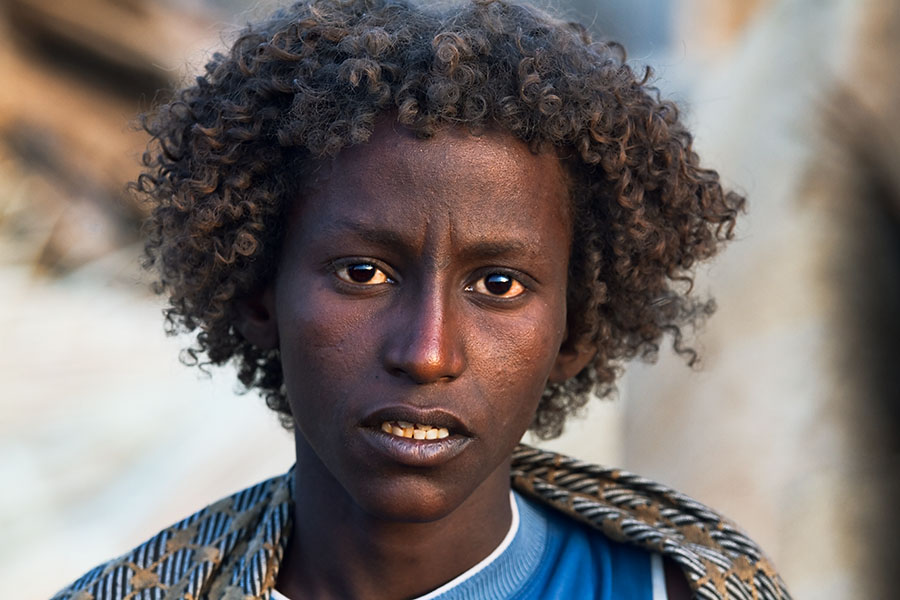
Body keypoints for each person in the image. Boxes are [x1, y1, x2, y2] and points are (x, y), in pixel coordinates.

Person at [52, 0, 791, 598]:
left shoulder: (679, 586)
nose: (428, 352)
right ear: (258, 295)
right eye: (363, 274)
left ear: (574, 333)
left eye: (498, 286)